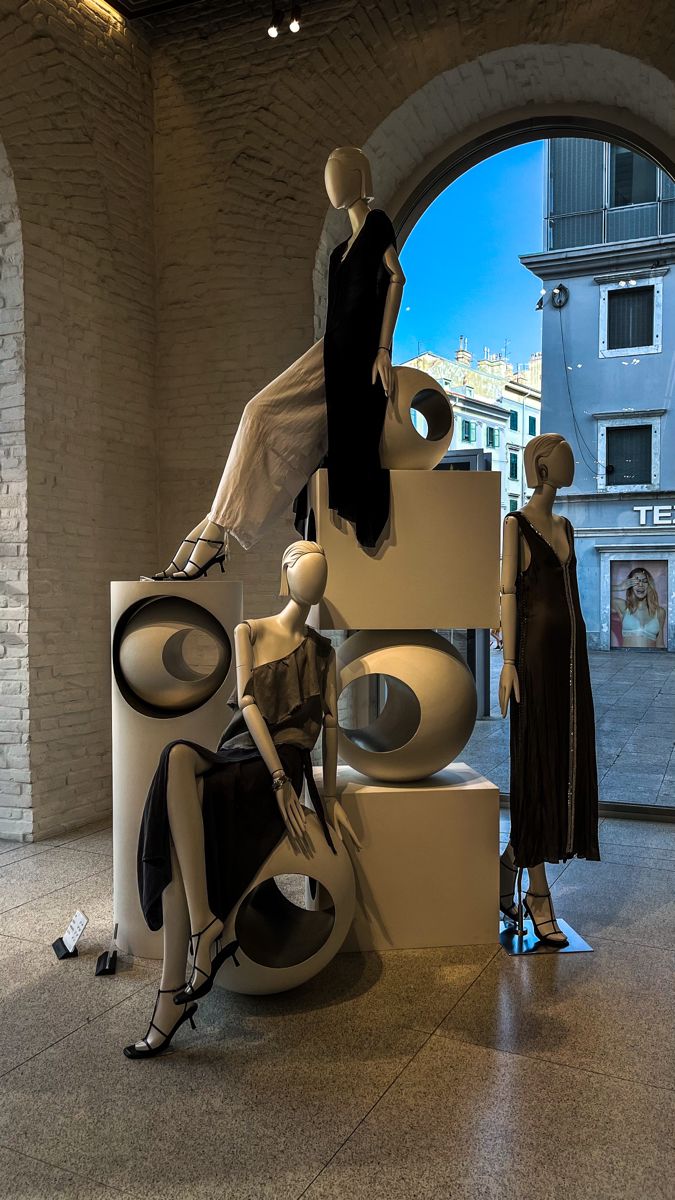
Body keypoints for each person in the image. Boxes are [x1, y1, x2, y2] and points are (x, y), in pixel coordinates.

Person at [124, 541, 360, 1059]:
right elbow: (248, 704)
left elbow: (331, 726)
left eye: (322, 574)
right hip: (249, 756)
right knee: (177, 759)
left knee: (174, 804)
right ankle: (204, 923)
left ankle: (170, 996)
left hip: (281, 765)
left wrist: (328, 795)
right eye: (306, 569)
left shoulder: (324, 652)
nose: (314, 581)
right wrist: (275, 776)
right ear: (287, 573)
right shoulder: (249, 630)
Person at [144, 146, 406, 582]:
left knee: (261, 415)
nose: (330, 183)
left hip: (358, 355)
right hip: (331, 351)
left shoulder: (378, 225)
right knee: (259, 414)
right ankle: (214, 529)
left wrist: (383, 349)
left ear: (359, 177)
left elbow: (396, 277)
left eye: (337, 173)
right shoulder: (339, 253)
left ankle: (209, 535)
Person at [498, 433, 600, 947]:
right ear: (541, 464)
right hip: (534, 661)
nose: (570, 462)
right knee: (536, 764)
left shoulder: (566, 527)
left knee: (566, 762)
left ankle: (510, 863)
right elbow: (508, 593)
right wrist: (508, 661)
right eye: (562, 454)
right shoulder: (515, 524)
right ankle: (538, 893)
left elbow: (572, 596)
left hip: (570, 661)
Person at [611, 566, 666, 648]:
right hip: (625, 659)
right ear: (630, 586)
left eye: (644, 581)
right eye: (636, 582)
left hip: (651, 659)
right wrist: (620, 587)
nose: (641, 585)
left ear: (649, 586)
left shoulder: (660, 612)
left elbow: (660, 645)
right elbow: (598, 597)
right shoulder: (623, 607)